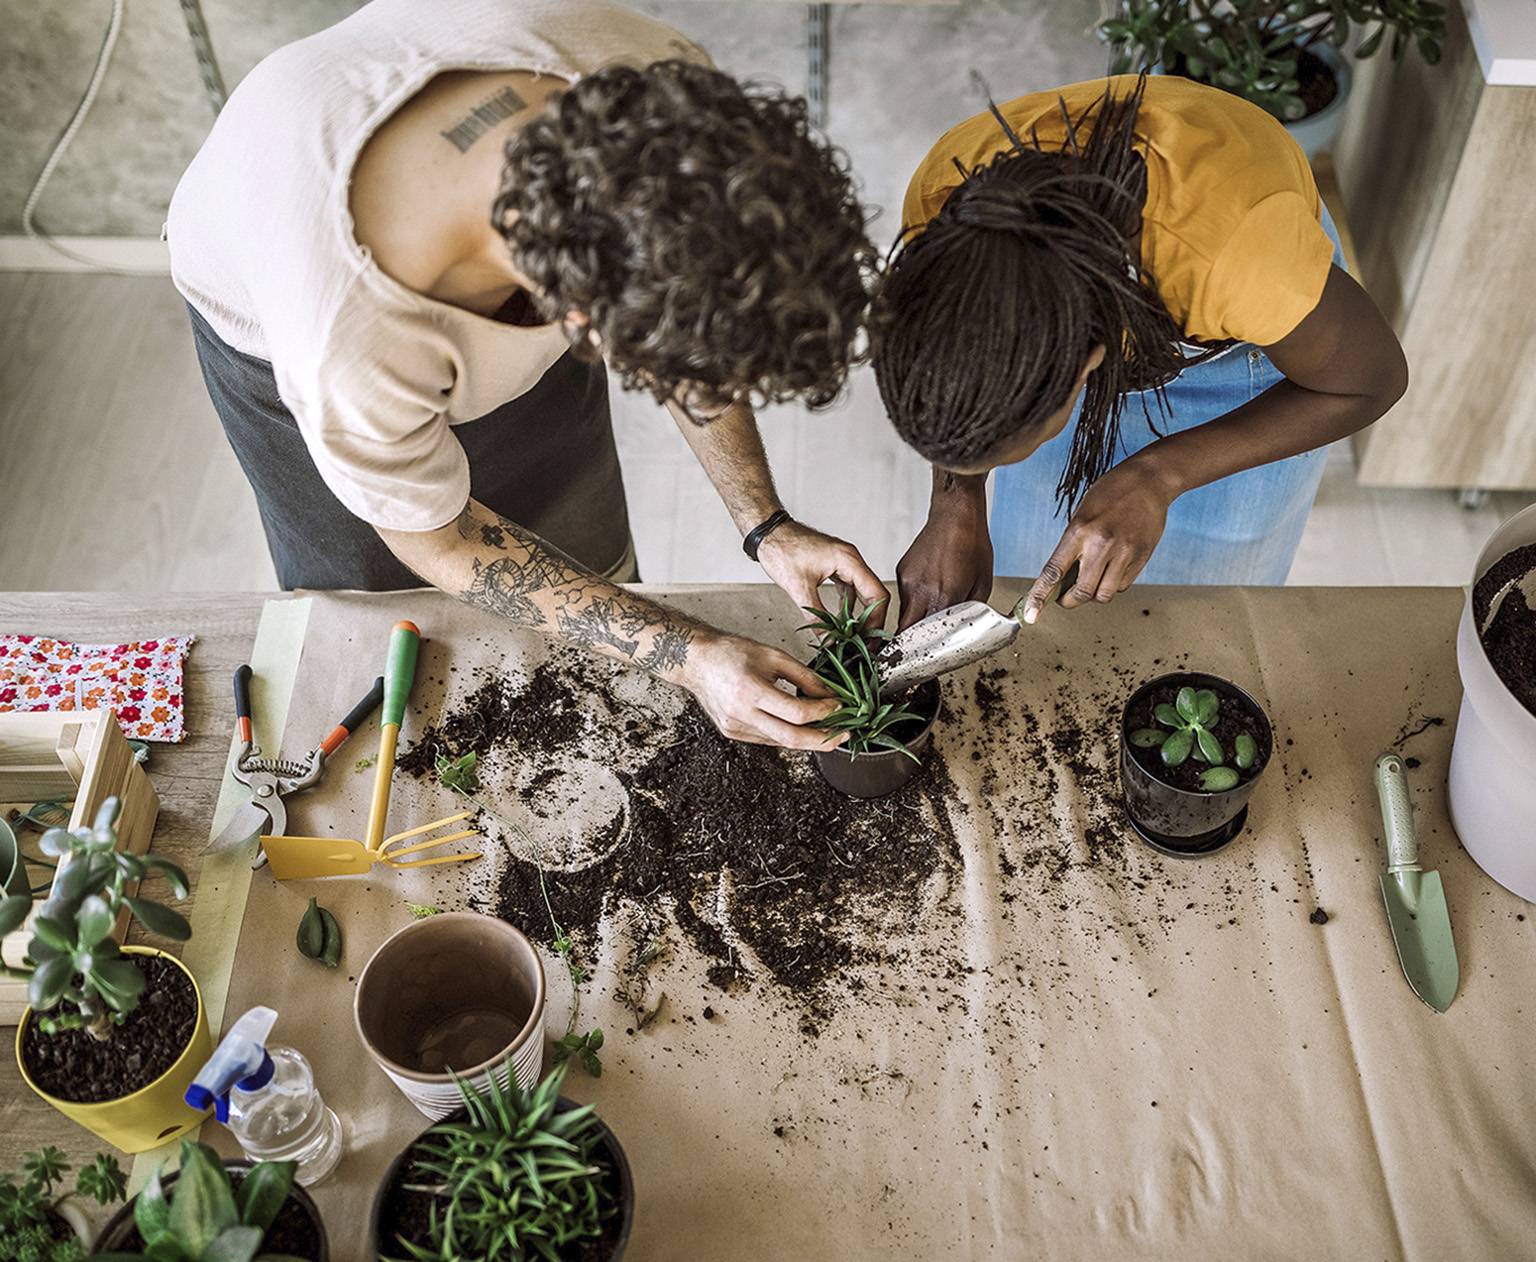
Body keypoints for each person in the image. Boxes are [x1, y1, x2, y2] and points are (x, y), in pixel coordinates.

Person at [166, 0, 890, 749]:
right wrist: (694, 655)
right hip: (269, 299)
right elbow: (440, 542)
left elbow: (704, 316)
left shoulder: (656, 96)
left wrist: (764, 522)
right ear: (579, 325)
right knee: (395, 626)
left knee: (579, 540)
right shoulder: (347, 340)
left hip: (454, 257)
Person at [873, 73, 1408, 630]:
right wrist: (955, 503)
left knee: (1207, 609)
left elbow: (1371, 380)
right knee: (1039, 551)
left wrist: (1160, 474)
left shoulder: (1245, 260)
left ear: (1088, 367)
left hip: (1246, 341)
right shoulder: (943, 207)